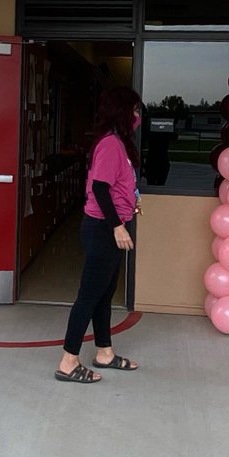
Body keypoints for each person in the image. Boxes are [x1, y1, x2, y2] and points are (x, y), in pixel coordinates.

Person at [54, 87, 143, 383]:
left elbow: (116, 186)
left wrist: (129, 205)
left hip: (111, 226)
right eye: (134, 110)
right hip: (103, 229)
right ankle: (68, 362)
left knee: (104, 294)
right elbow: (100, 188)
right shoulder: (110, 144)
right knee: (89, 296)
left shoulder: (118, 144)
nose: (137, 116)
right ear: (122, 111)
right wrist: (117, 226)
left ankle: (105, 352)